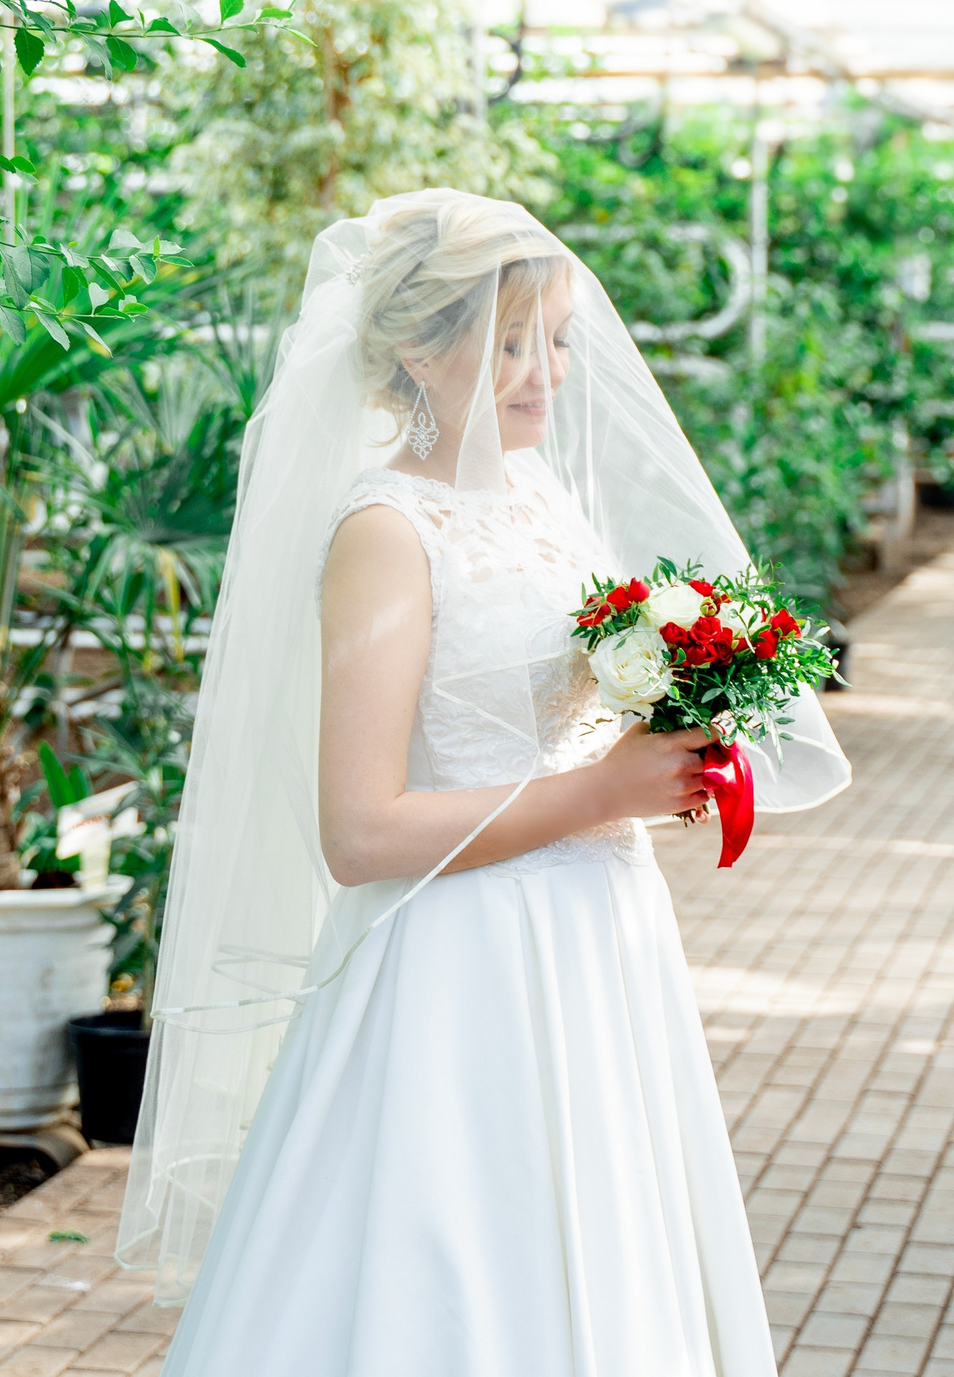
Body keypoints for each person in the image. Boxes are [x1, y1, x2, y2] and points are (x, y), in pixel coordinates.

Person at [119, 190, 851, 1375]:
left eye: (554, 340)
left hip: (596, 936)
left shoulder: (539, 497)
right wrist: (604, 794)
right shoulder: (386, 531)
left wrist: (677, 712)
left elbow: (567, 709)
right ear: (419, 350)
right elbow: (358, 832)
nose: (546, 376)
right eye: (512, 342)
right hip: (455, 958)